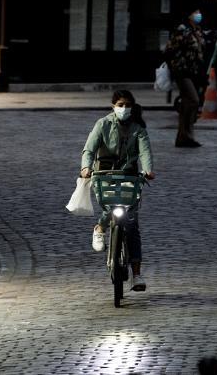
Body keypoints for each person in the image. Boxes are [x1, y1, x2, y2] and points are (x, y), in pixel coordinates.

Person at [79, 90, 154, 291]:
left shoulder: (138, 129)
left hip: (129, 177)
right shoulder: (102, 124)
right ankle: (100, 228)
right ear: (113, 106)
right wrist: (86, 167)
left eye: (127, 105)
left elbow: (145, 151)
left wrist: (148, 170)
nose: (124, 108)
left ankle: (136, 274)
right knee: (109, 207)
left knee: (131, 224)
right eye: (120, 104)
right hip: (103, 175)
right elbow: (89, 149)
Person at [164, 9, 206, 147]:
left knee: (187, 103)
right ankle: (185, 135)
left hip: (194, 72)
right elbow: (170, 49)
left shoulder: (197, 30)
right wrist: (175, 65)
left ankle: (185, 136)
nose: (198, 15)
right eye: (195, 12)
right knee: (193, 100)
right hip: (182, 71)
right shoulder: (182, 30)